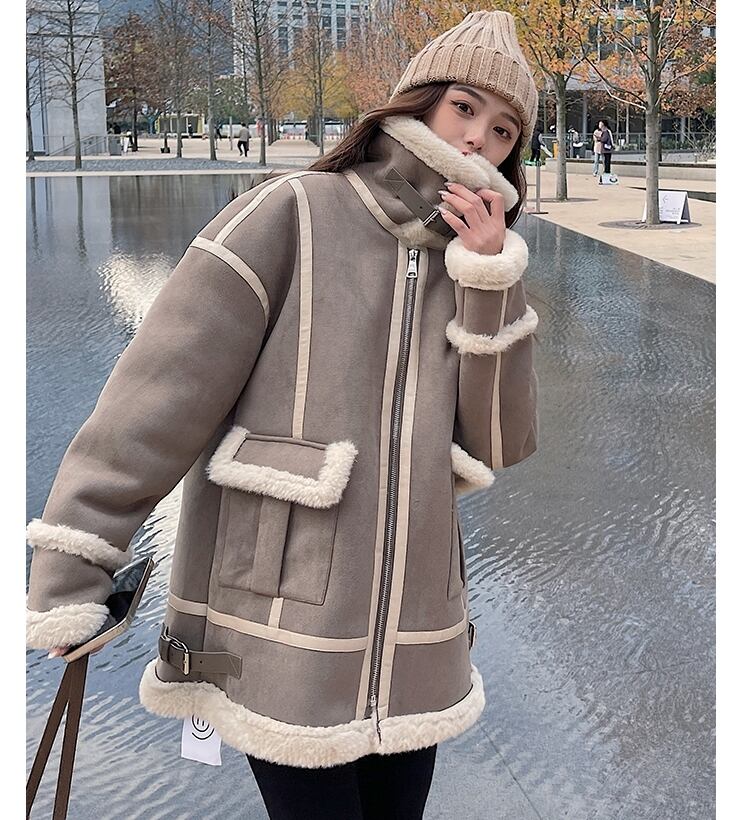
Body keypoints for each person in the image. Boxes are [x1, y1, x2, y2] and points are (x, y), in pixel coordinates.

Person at [26, 10, 539, 819]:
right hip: (278, 627)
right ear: (421, 101)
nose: (479, 139)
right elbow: (153, 403)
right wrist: (71, 574)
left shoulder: (477, 264)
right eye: (464, 108)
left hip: (415, 642)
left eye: (504, 129)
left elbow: (500, 442)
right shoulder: (291, 211)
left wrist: (488, 284)